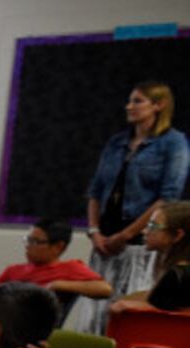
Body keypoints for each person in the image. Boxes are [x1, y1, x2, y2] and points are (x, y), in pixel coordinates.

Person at [80, 81, 190, 332]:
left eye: (138, 101)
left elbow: (168, 197)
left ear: (158, 105)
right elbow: (96, 190)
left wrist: (127, 234)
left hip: (137, 241)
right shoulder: (117, 142)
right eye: (130, 101)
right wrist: (94, 230)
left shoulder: (173, 143)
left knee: (127, 309)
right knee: (95, 315)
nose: (129, 107)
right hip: (105, 241)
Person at [0, 217, 113, 313]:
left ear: (58, 247)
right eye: (28, 240)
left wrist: (57, 284)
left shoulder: (69, 268)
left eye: (35, 242)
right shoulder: (12, 270)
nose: (28, 246)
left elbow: (105, 289)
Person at [110, 201, 190, 314]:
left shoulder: (178, 275)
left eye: (153, 226)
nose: (144, 231)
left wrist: (126, 305)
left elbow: (164, 316)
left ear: (178, 235)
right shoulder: (179, 272)